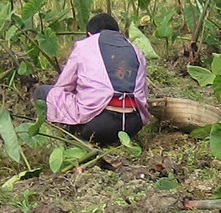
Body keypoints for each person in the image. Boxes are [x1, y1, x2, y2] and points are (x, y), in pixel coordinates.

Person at [36, 13, 150, 145]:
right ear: (119, 33)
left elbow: (63, 86)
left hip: (98, 125)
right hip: (133, 125)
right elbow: (143, 95)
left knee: (44, 92)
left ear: (89, 34)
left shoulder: (84, 46)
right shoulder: (137, 50)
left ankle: (62, 138)